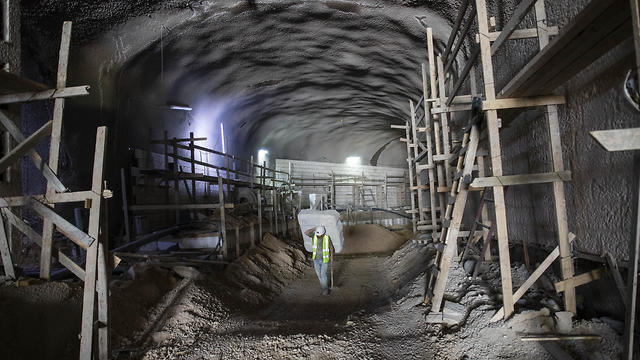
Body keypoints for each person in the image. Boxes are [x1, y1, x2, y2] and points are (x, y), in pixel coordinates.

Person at [304, 226, 334, 295]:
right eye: (317, 235)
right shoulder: (314, 235)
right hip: (316, 259)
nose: (318, 236)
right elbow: (306, 232)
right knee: (319, 275)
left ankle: (325, 290)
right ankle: (324, 287)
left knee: (323, 274)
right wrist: (314, 228)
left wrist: (331, 256)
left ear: (323, 234)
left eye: (319, 235)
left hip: (324, 259)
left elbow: (331, 247)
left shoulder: (327, 238)